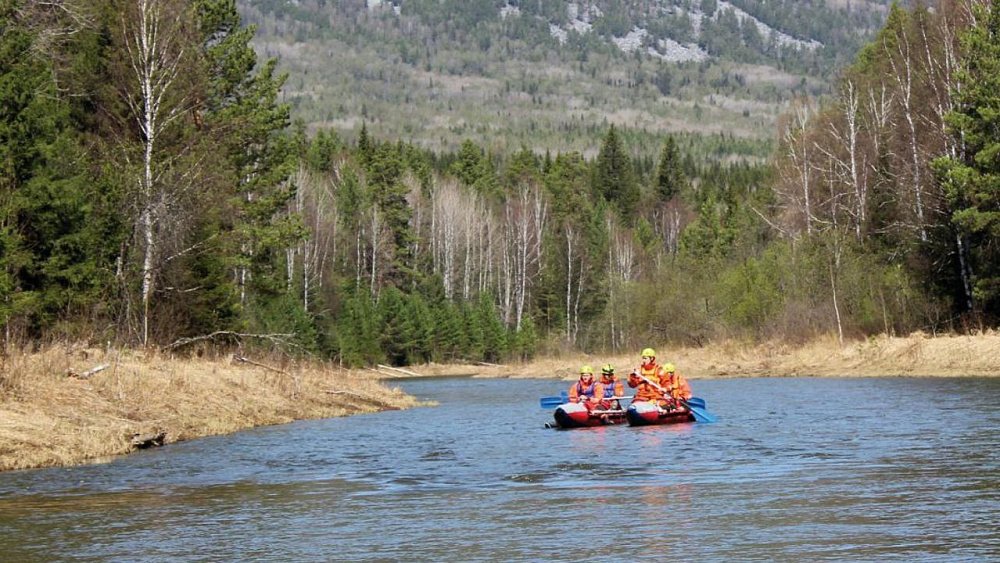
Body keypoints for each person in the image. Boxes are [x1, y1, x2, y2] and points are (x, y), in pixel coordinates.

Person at [627, 348, 691, 410]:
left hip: (656, 397)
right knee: (634, 407)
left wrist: (665, 389)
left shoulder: (659, 371)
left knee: (665, 404)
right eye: (643, 358)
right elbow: (632, 385)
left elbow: (667, 384)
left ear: (651, 358)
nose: (644, 360)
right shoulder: (639, 371)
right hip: (642, 397)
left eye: (645, 358)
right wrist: (633, 376)